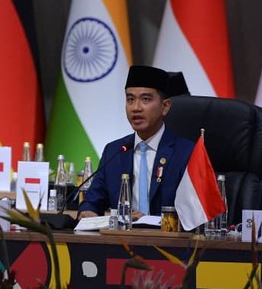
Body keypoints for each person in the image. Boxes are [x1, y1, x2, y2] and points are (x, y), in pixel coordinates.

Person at [79, 65, 194, 219]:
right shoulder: (114, 151)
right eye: (130, 99)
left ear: (165, 107)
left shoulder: (187, 153)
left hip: (166, 234)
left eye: (145, 99)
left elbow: (194, 213)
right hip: (122, 234)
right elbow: (93, 200)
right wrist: (88, 211)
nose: (136, 108)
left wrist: (150, 220)